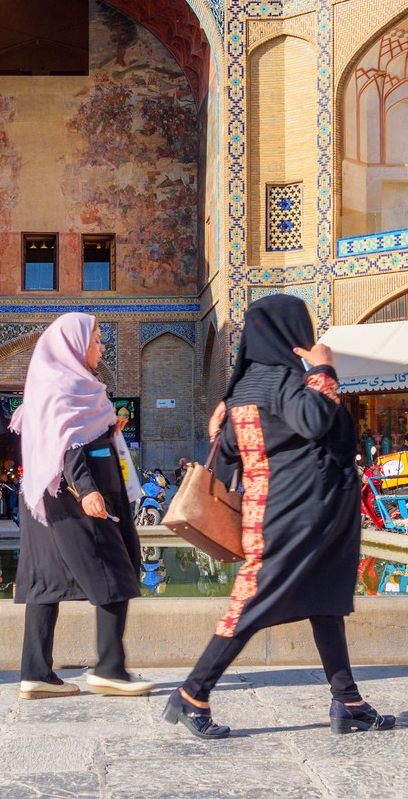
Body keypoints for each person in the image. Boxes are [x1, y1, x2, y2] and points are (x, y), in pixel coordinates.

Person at [167, 293, 393, 739]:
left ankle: (347, 700)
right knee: (251, 602)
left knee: (324, 598)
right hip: (298, 513)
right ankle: (193, 692)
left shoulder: (244, 386)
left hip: (282, 508)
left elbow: (232, 449)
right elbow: (313, 420)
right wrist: (323, 370)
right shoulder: (283, 380)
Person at [10, 312, 152, 700]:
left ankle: (35, 673)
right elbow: (67, 444)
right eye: (97, 339)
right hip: (75, 501)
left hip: (50, 502)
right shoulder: (64, 386)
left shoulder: (67, 385)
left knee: (46, 583)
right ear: (74, 344)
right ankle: (110, 669)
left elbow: (79, 437)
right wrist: (88, 490)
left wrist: (108, 430)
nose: (102, 346)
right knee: (115, 574)